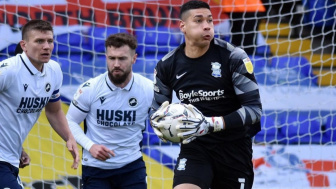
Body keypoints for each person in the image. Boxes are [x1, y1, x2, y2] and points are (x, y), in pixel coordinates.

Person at [150, 1, 262, 189]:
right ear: (182, 26)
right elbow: (157, 110)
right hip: (195, 148)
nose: (207, 25)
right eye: (199, 20)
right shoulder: (167, 65)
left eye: (210, 20)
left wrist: (210, 124)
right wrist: (163, 125)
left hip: (234, 149)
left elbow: (254, 111)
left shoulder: (234, 57)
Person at [66, 33, 153, 189]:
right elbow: (70, 121)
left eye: (122, 59)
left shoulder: (148, 89)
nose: (116, 64)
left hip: (131, 166)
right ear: (106, 57)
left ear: (134, 59)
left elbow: (163, 117)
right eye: (112, 58)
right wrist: (90, 146)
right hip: (96, 169)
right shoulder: (90, 88)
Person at [0, 19, 79, 189]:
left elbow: (54, 111)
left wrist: (69, 137)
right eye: (39, 41)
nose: (46, 46)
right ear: (24, 45)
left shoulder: (54, 70)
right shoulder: (8, 70)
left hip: (11, 158)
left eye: (50, 41)